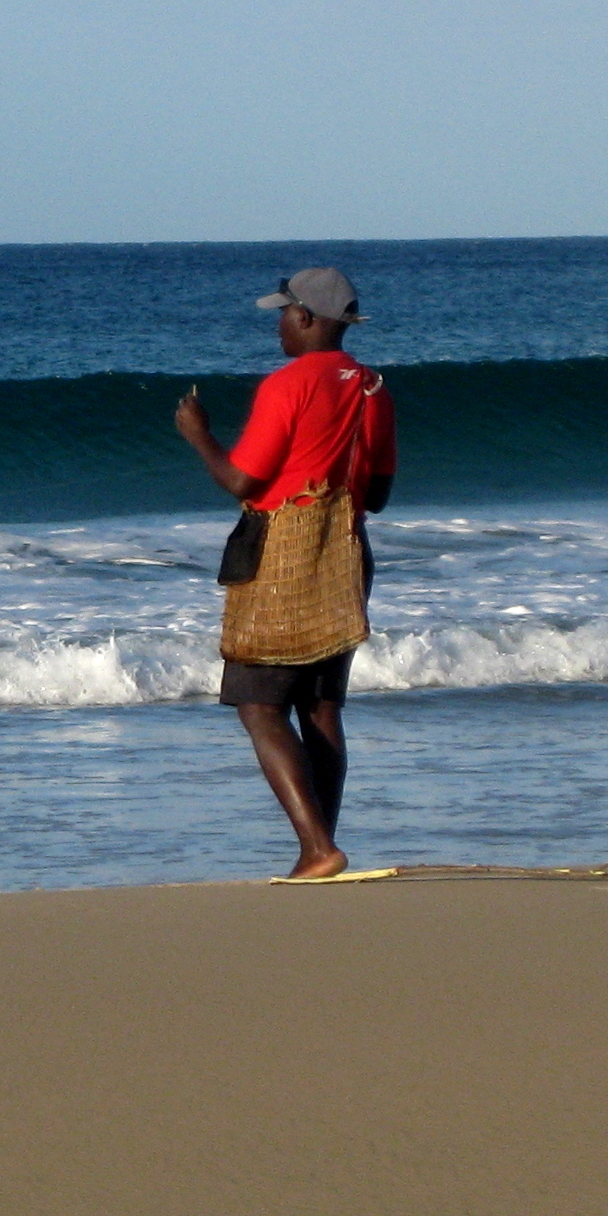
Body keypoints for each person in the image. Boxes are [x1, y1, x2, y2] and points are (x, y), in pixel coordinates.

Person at [173, 267, 397, 880]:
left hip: (281, 556)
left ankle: (317, 849)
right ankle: (322, 844)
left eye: (282, 314)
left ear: (305, 318)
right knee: (321, 707)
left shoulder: (286, 384)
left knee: (257, 703)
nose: (278, 325)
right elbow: (376, 493)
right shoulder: (372, 386)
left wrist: (200, 436)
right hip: (345, 551)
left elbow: (243, 481)